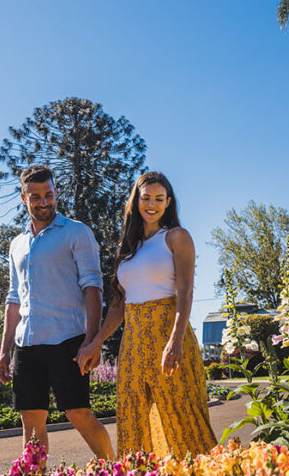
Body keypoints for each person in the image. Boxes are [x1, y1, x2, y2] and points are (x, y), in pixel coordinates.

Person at [77, 171, 217, 458]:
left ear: (168, 203)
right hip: (133, 343)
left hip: (168, 335)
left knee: (181, 414)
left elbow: (186, 291)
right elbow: (119, 304)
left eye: (159, 199)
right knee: (133, 414)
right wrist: (97, 341)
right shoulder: (128, 248)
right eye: (146, 198)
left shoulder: (176, 237)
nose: (152, 205)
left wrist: (175, 341)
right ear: (136, 201)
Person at [0, 165, 114, 461]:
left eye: (48, 194)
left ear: (56, 192)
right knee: (31, 421)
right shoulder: (17, 244)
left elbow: (93, 286)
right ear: (24, 198)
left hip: (67, 340)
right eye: (35, 196)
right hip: (27, 344)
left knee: (78, 413)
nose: (44, 202)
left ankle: (116, 473)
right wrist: (4, 351)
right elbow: (14, 299)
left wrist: (92, 340)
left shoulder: (76, 232)